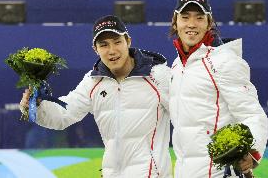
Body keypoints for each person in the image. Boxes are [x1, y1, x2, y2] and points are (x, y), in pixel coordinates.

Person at [20, 15, 172, 178]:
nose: (112, 50)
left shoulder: (158, 76)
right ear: (95, 49)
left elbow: (188, 114)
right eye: (104, 45)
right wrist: (35, 106)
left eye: (117, 42)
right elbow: (64, 114)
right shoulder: (92, 82)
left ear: (128, 41)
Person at [168, 0, 268, 178]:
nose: (191, 24)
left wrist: (251, 152)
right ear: (175, 22)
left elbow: (251, 112)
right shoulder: (176, 66)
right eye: (185, 17)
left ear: (209, 23)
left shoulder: (224, 61)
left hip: (219, 172)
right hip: (185, 171)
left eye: (199, 18)